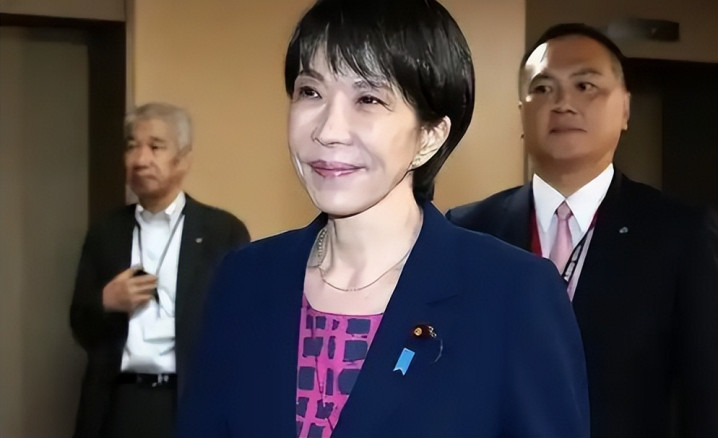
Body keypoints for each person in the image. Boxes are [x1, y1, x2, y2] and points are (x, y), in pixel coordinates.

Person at [176, 2, 589, 437]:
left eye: (368, 99)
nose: (328, 130)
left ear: (429, 136)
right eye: (310, 92)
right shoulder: (244, 279)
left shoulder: (511, 294)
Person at [447, 23, 718, 437]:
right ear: (521, 113)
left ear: (625, 109)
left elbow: (705, 395)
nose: (563, 103)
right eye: (543, 89)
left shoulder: (680, 233)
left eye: (585, 86)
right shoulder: (467, 230)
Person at [69, 102, 250, 438]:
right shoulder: (106, 233)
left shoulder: (222, 232)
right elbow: (79, 324)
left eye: (155, 147)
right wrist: (106, 302)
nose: (140, 160)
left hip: (191, 401)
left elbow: (243, 327)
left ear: (183, 159)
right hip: (119, 403)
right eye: (132, 147)